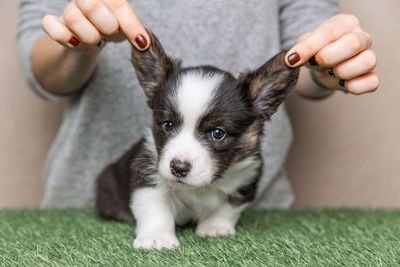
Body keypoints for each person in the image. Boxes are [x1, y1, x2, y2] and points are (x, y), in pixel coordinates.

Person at [18, 0, 378, 208]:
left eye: (217, 133)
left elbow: (310, 34)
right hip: (91, 203)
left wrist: (328, 63)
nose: (181, 154)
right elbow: (40, 60)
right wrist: (78, 42)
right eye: (170, 126)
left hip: (248, 209)